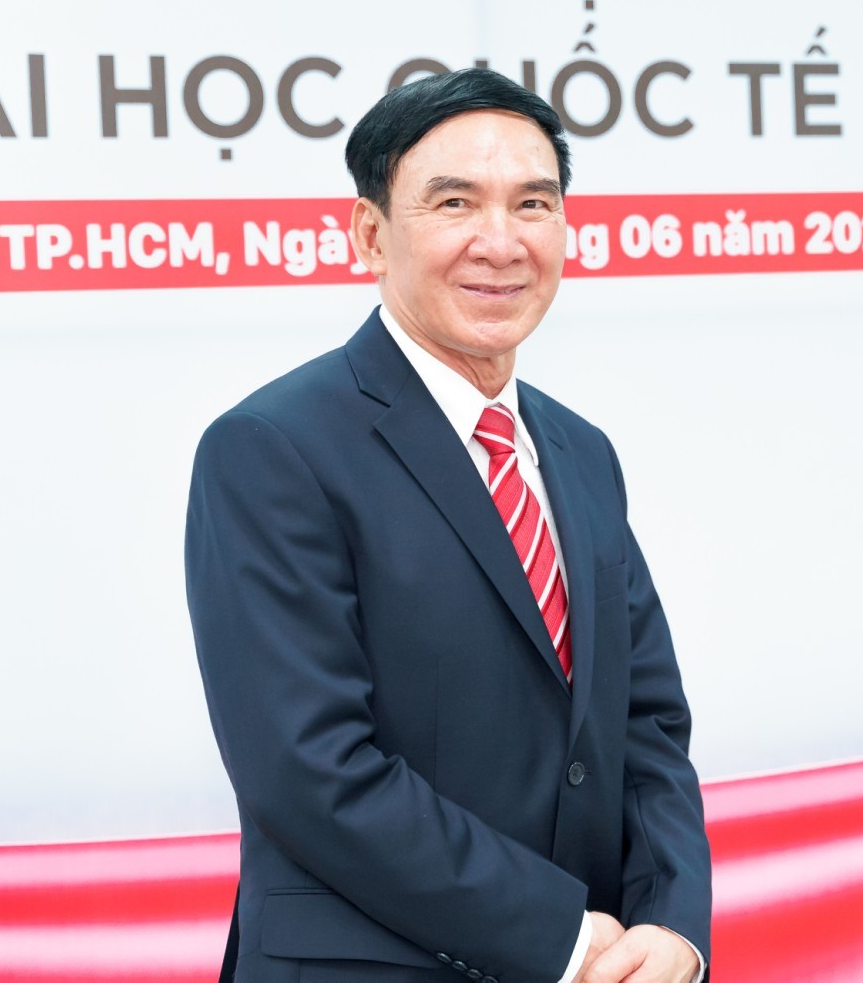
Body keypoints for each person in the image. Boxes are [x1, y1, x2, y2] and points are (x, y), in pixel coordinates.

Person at [185, 69, 711, 983]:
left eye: (533, 203)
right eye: (455, 202)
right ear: (370, 235)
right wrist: (561, 936)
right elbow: (311, 772)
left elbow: (647, 727)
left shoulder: (580, 451)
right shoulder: (273, 448)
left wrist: (670, 923)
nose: (500, 243)